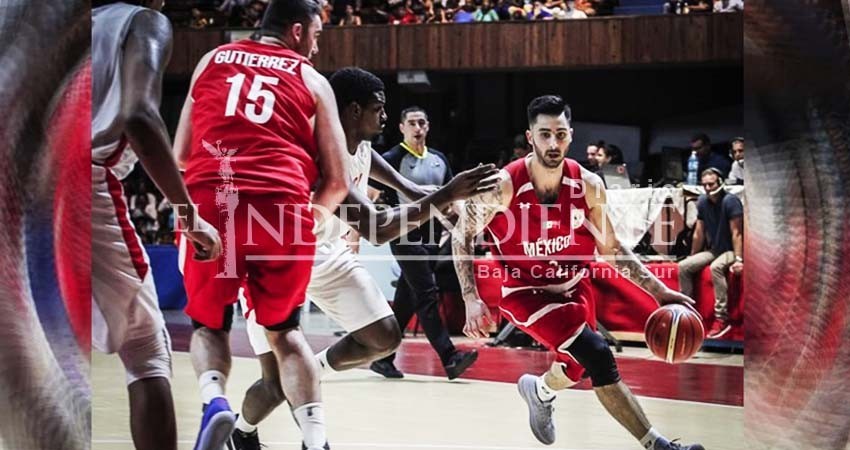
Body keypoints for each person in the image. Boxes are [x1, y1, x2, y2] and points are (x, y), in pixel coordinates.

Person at [228, 67, 499, 450]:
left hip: (326, 253)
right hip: (275, 259)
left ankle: (312, 368)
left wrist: (453, 204)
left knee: (385, 336)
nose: (386, 116)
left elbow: (410, 189)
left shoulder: (362, 148)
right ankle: (241, 433)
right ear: (354, 110)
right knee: (274, 382)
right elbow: (376, 228)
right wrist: (444, 196)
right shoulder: (320, 155)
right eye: (379, 108)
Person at [452, 95, 704, 450]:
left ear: (571, 136)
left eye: (560, 134)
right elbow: (460, 233)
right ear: (530, 137)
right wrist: (470, 297)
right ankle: (660, 445)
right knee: (598, 354)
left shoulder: (588, 185)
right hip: (525, 293)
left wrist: (659, 291)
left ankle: (539, 390)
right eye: (544, 135)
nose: (553, 143)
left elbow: (611, 251)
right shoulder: (503, 186)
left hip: (574, 285)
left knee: (577, 367)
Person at [172, 0, 351, 448]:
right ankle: (315, 440)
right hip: (280, 206)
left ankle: (215, 401)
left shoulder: (213, 59)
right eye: (315, 35)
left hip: (213, 202)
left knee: (209, 327)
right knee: (285, 333)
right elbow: (339, 179)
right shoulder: (311, 79)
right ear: (295, 31)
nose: (315, 46)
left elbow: (179, 154)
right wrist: (311, 219)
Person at [92, 2, 223, 450]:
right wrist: (187, 214)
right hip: (74, 180)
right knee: (146, 349)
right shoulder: (141, 20)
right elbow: (139, 117)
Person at [370, 106, 480, 380]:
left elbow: (452, 201)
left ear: (428, 126)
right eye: (412, 123)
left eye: (422, 123)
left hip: (432, 237)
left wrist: (468, 226)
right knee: (427, 294)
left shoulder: (439, 160)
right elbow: (371, 195)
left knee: (408, 300)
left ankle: (381, 358)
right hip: (404, 235)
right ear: (401, 128)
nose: (418, 128)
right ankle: (450, 357)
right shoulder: (391, 158)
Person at [678, 168, 743, 339]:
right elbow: (699, 232)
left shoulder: (731, 201)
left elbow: (737, 233)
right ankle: (687, 313)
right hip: (714, 249)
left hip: (730, 249)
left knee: (716, 267)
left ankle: (722, 318)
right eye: (704, 184)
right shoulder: (702, 202)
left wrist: (739, 258)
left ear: (720, 182)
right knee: (684, 266)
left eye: (711, 184)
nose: (707, 188)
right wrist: (693, 255)